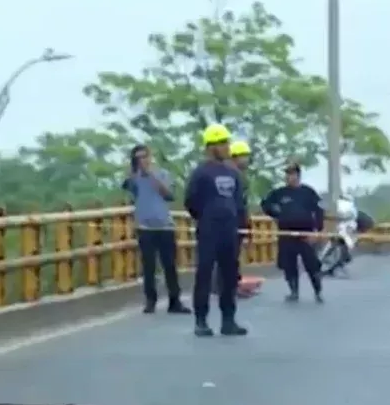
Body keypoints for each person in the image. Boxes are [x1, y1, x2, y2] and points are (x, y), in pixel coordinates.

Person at [184, 123, 248, 337]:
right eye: (223, 143)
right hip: (209, 230)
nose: (227, 146)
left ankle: (228, 320)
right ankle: (201, 320)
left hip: (230, 231)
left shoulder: (233, 173)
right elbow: (191, 201)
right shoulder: (201, 173)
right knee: (204, 274)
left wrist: (241, 224)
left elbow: (239, 201)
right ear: (212, 146)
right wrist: (206, 217)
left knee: (229, 276)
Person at [123, 144, 189, 315]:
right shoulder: (134, 178)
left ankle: (175, 301)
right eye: (138, 158)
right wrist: (134, 172)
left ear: (150, 157)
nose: (142, 160)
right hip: (145, 227)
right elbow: (127, 188)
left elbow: (169, 195)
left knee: (170, 266)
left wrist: (151, 176)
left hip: (165, 226)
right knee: (148, 267)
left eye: (145, 156)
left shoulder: (163, 174)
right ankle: (150, 300)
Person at [260, 162, 325, 303]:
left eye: (292, 174)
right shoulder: (279, 193)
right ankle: (293, 291)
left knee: (312, 264)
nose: (289, 177)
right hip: (286, 234)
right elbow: (265, 204)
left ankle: (318, 291)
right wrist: (274, 211)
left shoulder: (308, 192)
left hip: (305, 234)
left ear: (298, 176)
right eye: (287, 174)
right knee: (289, 265)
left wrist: (317, 231)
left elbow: (319, 211)